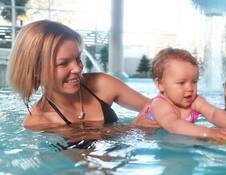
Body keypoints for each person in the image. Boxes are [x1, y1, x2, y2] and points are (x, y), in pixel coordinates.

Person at [7, 20, 153, 133]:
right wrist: (134, 129)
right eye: (63, 64)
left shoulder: (102, 84)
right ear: (36, 70)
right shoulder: (38, 121)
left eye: (78, 58)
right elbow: (82, 163)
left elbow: (156, 106)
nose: (78, 68)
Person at [132, 47, 226, 142]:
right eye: (181, 83)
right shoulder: (159, 104)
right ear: (160, 84)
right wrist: (209, 133)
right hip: (146, 138)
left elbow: (213, 113)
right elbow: (173, 125)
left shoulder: (195, 100)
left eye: (194, 82)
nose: (190, 88)